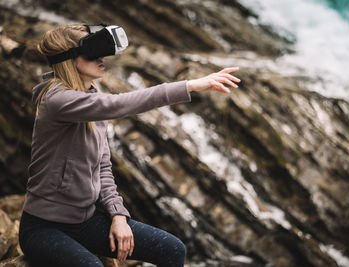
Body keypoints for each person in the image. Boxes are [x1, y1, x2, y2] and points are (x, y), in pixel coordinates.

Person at [18, 24, 240, 267]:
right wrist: (189, 86)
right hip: (43, 228)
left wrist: (118, 215)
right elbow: (119, 105)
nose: (102, 57)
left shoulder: (90, 99)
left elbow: (102, 168)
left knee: (173, 249)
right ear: (69, 58)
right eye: (93, 51)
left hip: (86, 222)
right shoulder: (57, 100)